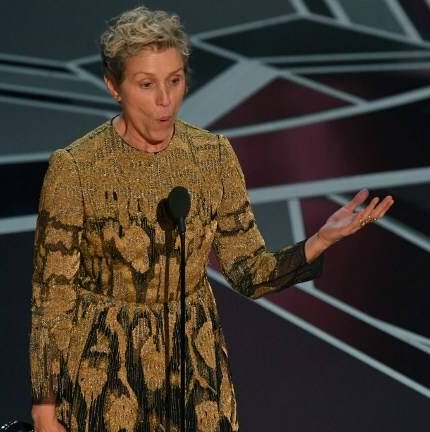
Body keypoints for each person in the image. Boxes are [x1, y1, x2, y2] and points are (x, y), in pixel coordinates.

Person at [29, 6, 394, 432]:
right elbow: (52, 298)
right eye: (146, 84)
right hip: (107, 370)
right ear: (114, 86)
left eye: (174, 80)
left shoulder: (212, 156)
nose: (165, 100)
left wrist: (319, 242)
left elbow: (247, 272)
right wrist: (45, 408)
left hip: (194, 370)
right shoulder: (76, 168)